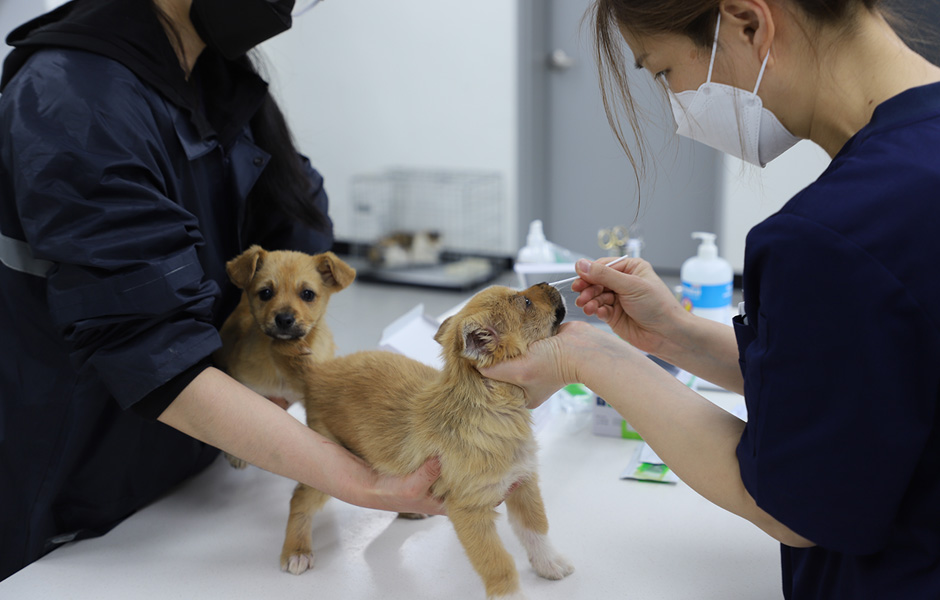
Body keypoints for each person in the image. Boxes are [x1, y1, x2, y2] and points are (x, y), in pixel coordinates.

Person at [482, 0, 940, 598]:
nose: (678, 113)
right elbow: (877, 385)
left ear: (749, 23)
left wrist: (589, 359)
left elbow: (796, 510)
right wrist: (675, 332)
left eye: (665, 73)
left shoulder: (835, 233)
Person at [0, 0, 443, 581]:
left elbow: (298, 227)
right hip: (80, 482)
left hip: (194, 464)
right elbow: (148, 346)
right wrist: (363, 480)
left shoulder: (221, 83)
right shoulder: (73, 98)